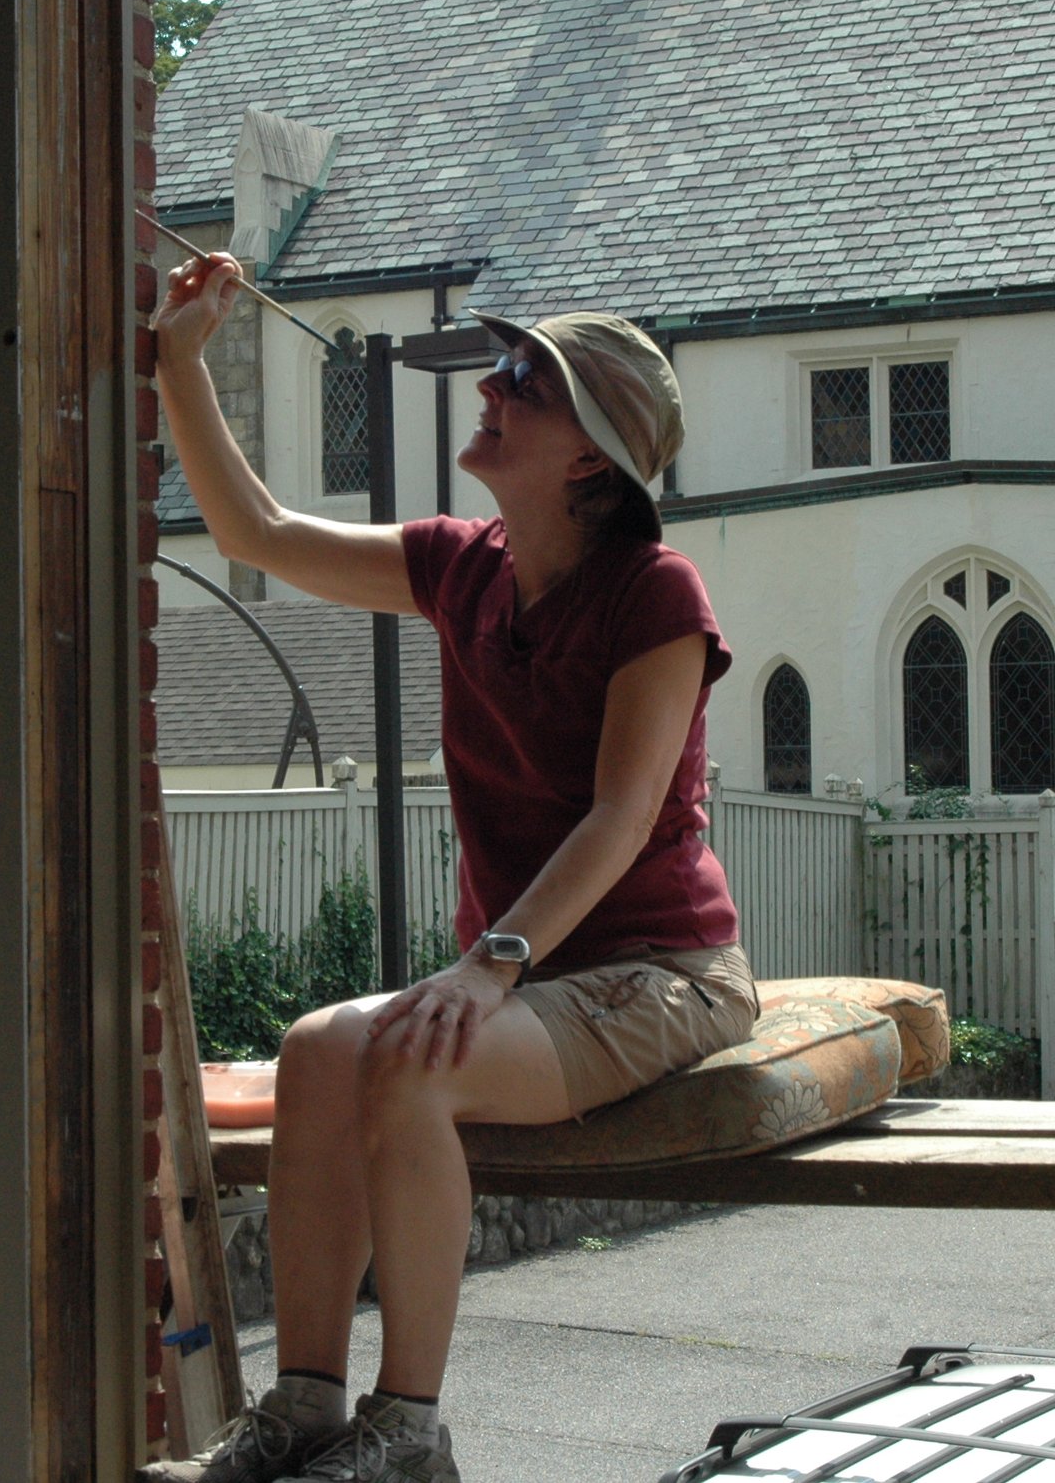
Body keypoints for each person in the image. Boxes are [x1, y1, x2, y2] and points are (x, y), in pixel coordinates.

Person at [144, 252, 757, 1483]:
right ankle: (308, 1406)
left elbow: (622, 818)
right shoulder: (460, 566)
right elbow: (254, 533)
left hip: (659, 974)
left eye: (528, 378)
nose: (495, 382)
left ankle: (410, 1430)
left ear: (591, 457)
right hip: (530, 987)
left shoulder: (655, 595)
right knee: (323, 1045)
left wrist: (488, 968)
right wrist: (178, 366)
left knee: (412, 1065)